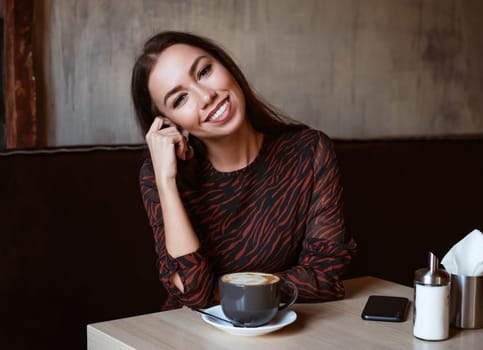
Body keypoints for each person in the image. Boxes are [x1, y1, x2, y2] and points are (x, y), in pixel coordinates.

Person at [131, 31, 357, 310]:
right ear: (169, 123)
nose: (206, 96)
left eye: (203, 71)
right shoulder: (161, 177)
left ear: (226, 66)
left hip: (276, 329)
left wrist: (220, 289)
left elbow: (325, 276)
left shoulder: (309, 151)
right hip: (189, 333)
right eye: (180, 99)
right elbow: (192, 294)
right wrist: (166, 180)